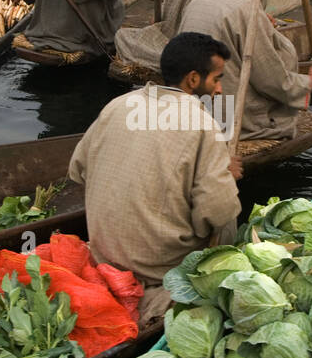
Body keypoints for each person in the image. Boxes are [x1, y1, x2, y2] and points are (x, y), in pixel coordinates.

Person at [68, 31, 242, 317]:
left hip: (104, 253)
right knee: (227, 210)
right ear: (194, 79)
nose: (220, 90)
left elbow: (78, 170)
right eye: (217, 79)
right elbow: (217, 212)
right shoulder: (203, 124)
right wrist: (226, 175)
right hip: (156, 267)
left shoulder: (119, 105)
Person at [176, 0, 312, 142]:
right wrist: (309, 82)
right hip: (228, 117)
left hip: (192, 108)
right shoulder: (248, 10)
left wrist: (263, 27)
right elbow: (271, 80)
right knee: (282, 120)